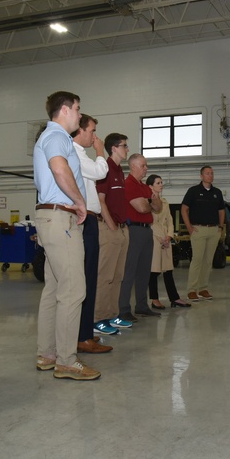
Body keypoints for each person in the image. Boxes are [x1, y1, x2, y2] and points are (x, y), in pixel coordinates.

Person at [33, 91, 100, 381]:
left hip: (51, 216)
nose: (79, 114)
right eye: (78, 108)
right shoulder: (58, 135)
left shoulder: (51, 136)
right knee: (74, 291)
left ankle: (47, 354)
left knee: (54, 289)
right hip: (61, 217)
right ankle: (66, 361)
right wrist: (80, 201)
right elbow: (59, 170)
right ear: (65, 109)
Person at [70, 114, 114, 353]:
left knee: (90, 280)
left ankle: (85, 332)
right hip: (85, 219)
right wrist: (100, 151)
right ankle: (82, 336)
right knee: (85, 279)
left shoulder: (80, 154)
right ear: (80, 131)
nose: (95, 136)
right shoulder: (75, 154)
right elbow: (100, 172)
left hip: (90, 220)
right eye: (92, 131)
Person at [94, 134, 133, 331]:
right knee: (105, 276)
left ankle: (112, 315)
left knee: (118, 276)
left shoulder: (120, 171)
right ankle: (98, 319)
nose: (127, 149)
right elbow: (100, 200)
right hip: (110, 229)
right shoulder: (105, 168)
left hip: (121, 229)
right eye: (124, 146)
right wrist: (111, 226)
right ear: (113, 148)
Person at [118, 153, 161, 320]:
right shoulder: (128, 184)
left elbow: (157, 206)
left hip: (146, 230)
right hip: (134, 230)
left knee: (144, 271)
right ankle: (124, 309)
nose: (146, 169)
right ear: (133, 166)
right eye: (143, 166)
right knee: (130, 271)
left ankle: (142, 306)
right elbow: (142, 208)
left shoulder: (144, 187)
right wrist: (150, 201)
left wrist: (149, 201)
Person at [181, 165, 225, 301]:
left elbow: (221, 210)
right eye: (207, 173)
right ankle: (192, 290)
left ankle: (203, 288)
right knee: (197, 260)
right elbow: (184, 209)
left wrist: (220, 227)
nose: (210, 175)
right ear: (201, 176)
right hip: (198, 230)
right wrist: (189, 227)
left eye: (212, 173)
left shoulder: (217, 192)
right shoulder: (193, 191)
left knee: (208, 261)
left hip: (213, 230)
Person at [147, 174, 190, 309]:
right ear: (150, 186)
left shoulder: (165, 202)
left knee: (168, 269)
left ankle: (174, 298)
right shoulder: (146, 202)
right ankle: (154, 299)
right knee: (153, 271)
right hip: (153, 238)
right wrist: (159, 237)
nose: (161, 185)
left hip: (165, 239)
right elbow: (149, 222)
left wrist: (170, 236)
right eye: (158, 183)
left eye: (161, 182)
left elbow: (170, 221)